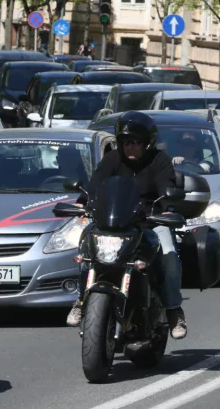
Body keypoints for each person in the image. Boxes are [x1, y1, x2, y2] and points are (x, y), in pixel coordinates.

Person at [65, 111, 188, 339]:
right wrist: (82, 204)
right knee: (85, 249)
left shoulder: (159, 161)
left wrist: (168, 209)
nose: (130, 147)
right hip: (114, 223)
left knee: (170, 255)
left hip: (149, 223)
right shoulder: (112, 159)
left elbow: (166, 187)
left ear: (147, 143)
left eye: (136, 142)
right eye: (126, 142)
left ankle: (173, 310)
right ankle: (82, 301)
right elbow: (96, 183)